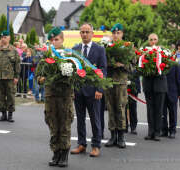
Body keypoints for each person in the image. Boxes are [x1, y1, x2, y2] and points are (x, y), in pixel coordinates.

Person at [35, 27, 74, 167]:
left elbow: (75, 75)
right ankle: (55, 152)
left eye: (56, 39)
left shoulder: (69, 55)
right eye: (51, 40)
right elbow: (37, 75)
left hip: (64, 96)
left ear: (62, 40)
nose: (54, 42)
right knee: (53, 125)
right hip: (50, 96)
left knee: (64, 125)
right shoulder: (46, 57)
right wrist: (41, 79)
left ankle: (64, 155)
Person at [71, 23, 107, 157]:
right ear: (80, 34)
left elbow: (103, 70)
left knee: (95, 119)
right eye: (82, 32)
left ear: (92, 33)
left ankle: (96, 145)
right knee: (80, 119)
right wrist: (73, 89)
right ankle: (81, 144)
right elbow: (73, 71)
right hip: (78, 91)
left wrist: (100, 89)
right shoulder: (75, 49)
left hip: (93, 91)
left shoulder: (99, 49)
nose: (85, 34)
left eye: (87, 32)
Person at [104, 23, 132, 148]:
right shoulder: (106, 47)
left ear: (122, 34)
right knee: (110, 108)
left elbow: (133, 67)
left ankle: (121, 136)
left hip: (121, 82)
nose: (116, 35)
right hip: (109, 82)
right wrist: (111, 63)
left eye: (118, 33)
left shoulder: (128, 47)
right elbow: (102, 63)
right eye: (114, 33)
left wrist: (123, 65)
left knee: (120, 109)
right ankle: (112, 135)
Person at [0, 30, 20, 122]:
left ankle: (10, 115)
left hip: (10, 78)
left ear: (9, 38)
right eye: (2, 37)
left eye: (5, 37)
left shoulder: (14, 50)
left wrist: (16, 76)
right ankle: (3, 114)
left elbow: (17, 64)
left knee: (10, 96)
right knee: (0, 96)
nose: (3, 39)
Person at [143, 33, 168, 142]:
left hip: (160, 85)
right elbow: (141, 67)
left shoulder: (163, 52)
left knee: (158, 109)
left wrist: (161, 69)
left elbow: (168, 67)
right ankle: (150, 132)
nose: (153, 41)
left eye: (155, 39)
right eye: (151, 40)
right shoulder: (144, 52)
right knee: (150, 109)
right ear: (148, 41)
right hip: (148, 84)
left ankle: (157, 132)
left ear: (158, 40)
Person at [161, 65, 180, 139]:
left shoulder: (175, 65)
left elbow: (179, 79)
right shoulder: (160, 63)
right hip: (162, 92)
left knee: (173, 113)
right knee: (162, 113)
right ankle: (164, 130)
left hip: (173, 92)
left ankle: (172, 131)